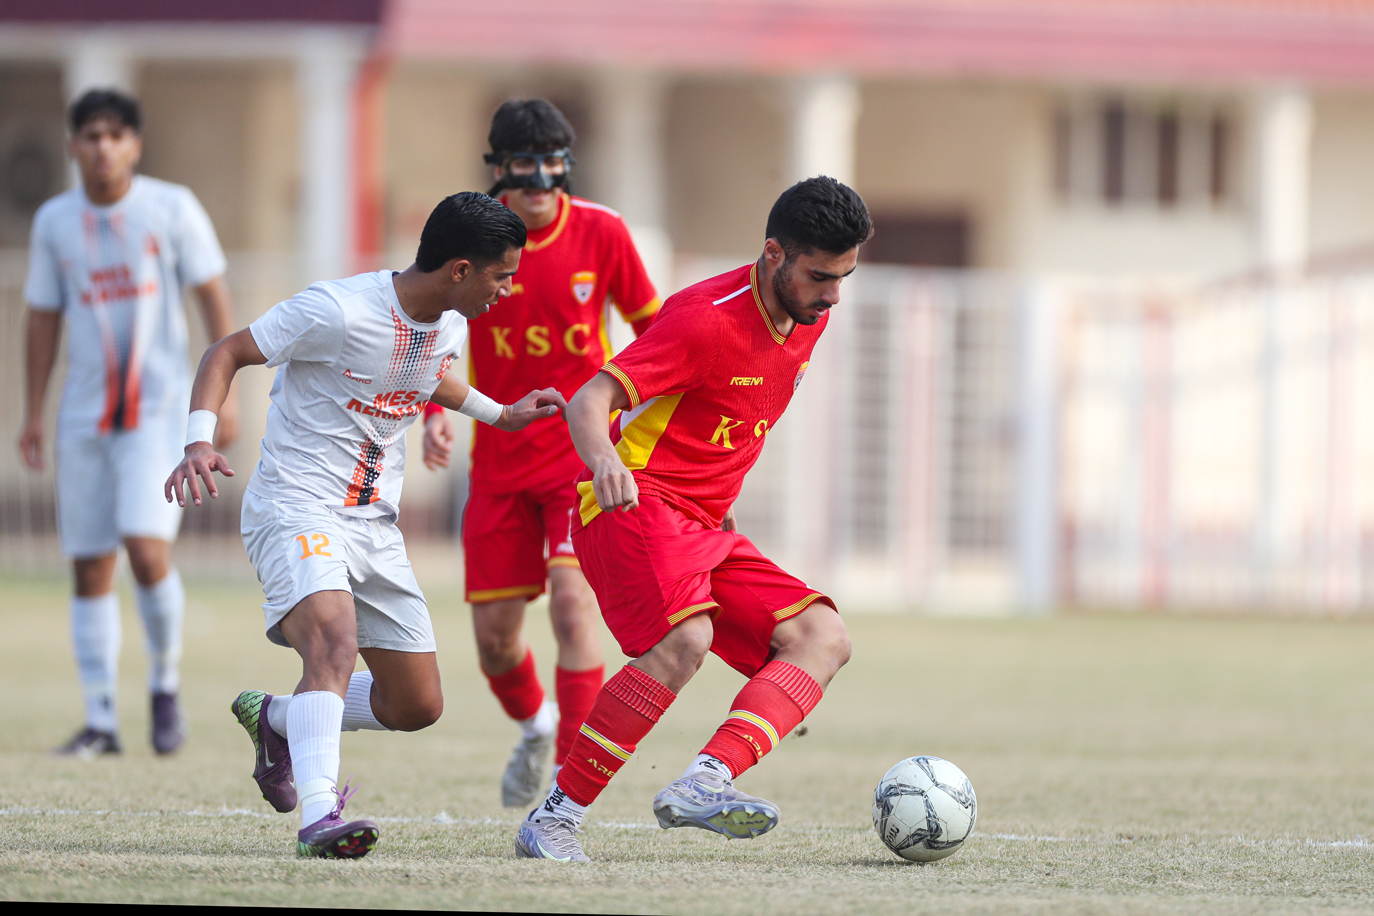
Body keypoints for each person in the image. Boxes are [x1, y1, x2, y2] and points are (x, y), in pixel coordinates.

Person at [164, 191, 567, 859]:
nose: (507, 290)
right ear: (460, 269)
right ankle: (320, 816)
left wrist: (502, 414)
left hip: (374, 526)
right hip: (296, 503)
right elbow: (227, 352)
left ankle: (279, 717)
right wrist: (198, 442)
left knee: (417, 704)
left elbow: (426, 377)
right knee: (333, 643)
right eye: (502, 276)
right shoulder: (336, 309)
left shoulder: (449, 326)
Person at [515, 177, 872, 861]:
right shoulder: (705, 318)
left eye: (843, 278)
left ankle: (707, 779)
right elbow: (589, 400)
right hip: (631, 500)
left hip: (703, 526)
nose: (833, 296)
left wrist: (719, 507)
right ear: (774, 254)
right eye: (821, 277)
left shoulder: (809, 316)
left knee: (822, 636)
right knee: (687, 638)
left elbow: (726, 421)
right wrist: (603, 464)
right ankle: (554, 820)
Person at [421, 99, 660, 808]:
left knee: (572, 609)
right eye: (522, 163)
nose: (537, 179)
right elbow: (429, 323)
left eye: (548, 163)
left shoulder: (602, 231)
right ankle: (536, 727)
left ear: (564, 166)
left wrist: (642, 421)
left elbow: (655, 331)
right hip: (498, 462)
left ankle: (567, 787)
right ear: (499, 166)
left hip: (580, 459)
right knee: (496, 643)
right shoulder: (471, 231)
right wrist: (432, 412)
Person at [18, 88, 239, 758]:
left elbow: (213, 295)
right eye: (91, 135)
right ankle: (101, 720)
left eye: (115, 135)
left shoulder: (171, 207)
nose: (103, 147)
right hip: (83, 416)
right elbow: (42, 316)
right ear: (72, 146)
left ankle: (164, 686)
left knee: (146, 552)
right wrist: (33, 411)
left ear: (135, 146)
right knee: (90, 566)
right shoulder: (55, 221)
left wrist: (224, 398)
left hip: (157, 413)